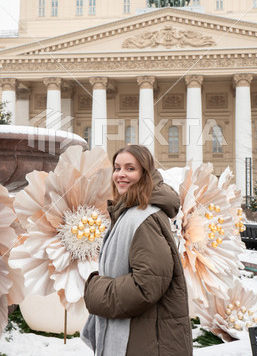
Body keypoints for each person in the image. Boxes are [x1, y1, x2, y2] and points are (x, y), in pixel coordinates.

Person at [81, 145, 193, 356]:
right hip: (140, 336)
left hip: (144, 342)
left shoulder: (144, 218)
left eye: (130, 168)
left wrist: (96, 291)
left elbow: (147, 285)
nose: (120, 174)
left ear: (145, 175)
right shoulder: (130, 212)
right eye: (117, 168)